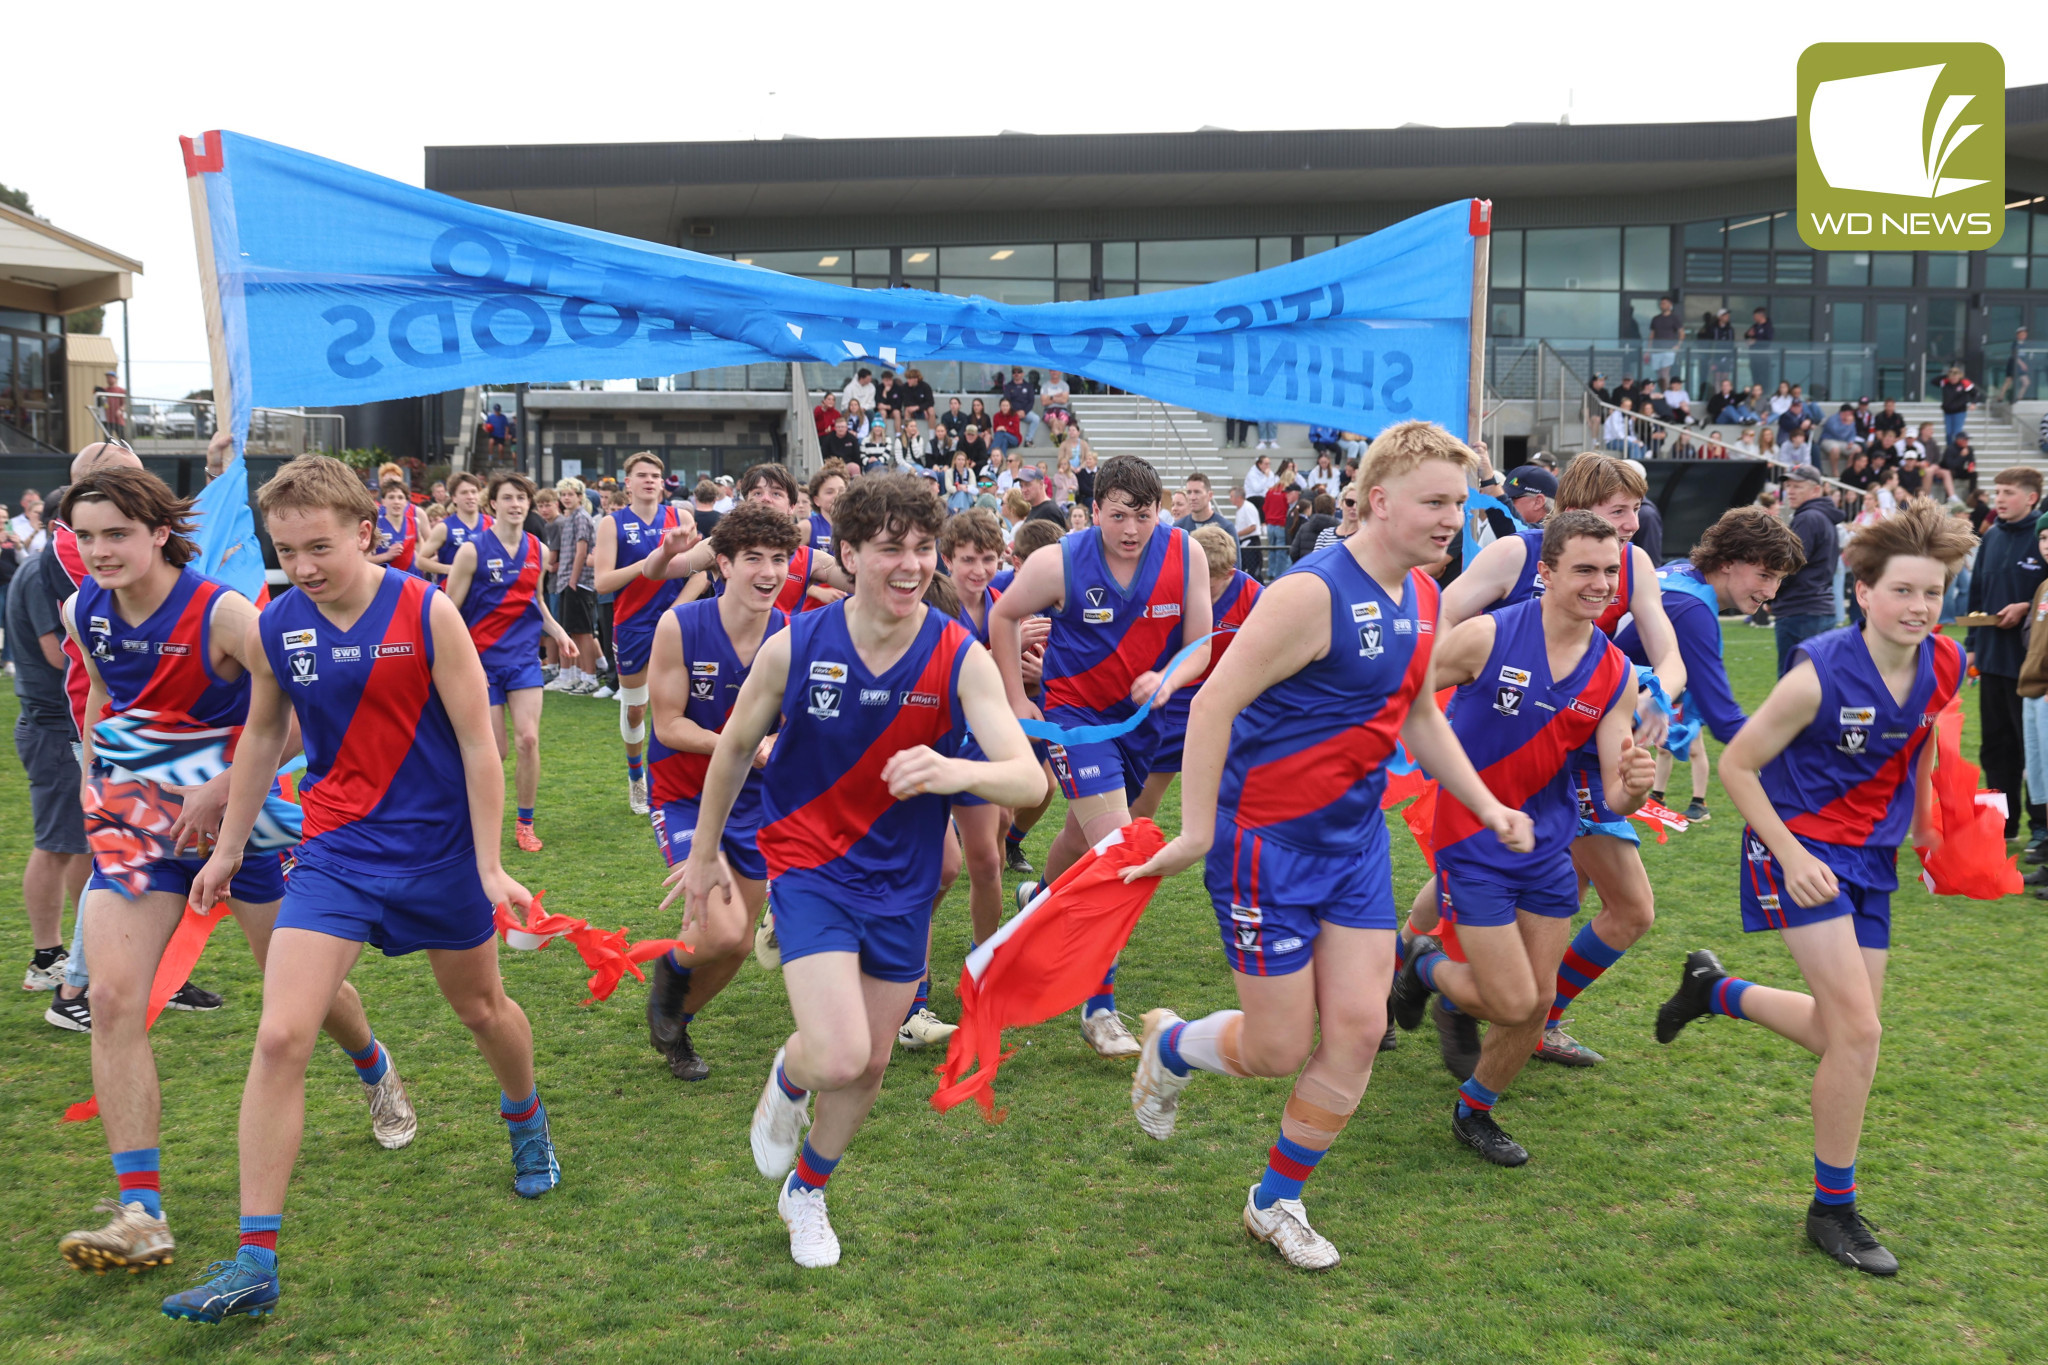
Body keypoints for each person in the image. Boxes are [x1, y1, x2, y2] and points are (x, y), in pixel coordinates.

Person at [1119, 421, 1537, 1269]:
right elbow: (1212, 704)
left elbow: (1418, 714)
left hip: (1353, 847)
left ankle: (1274, 1201)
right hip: (1263, 848)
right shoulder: (1311, 594)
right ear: (1378, 501)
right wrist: (1196, 831)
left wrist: (1486, 801)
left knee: (1354, 1027)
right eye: (1434, 501)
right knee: (1276, 1049)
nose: (1451, 517)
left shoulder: (1425, 595)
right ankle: (1171, 1047)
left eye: (1458, 501)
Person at [166, 456, 555, 1323]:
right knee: (279, 1034)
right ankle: (255, 1259)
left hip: (439, 852)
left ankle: (524, 1115)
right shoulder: (279, 623)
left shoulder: (427, 610)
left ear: (366, 533)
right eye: (286, 549)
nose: (302, 565)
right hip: (336, 848)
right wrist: (230, 847)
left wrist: (490, 864)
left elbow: (479, 743)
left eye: (319, 546)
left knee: (483, 1009)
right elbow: (264, 734)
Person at [50, 464, 412, 1282]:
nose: (100, 551)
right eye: (86, 536)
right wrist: (92, 770)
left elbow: (294, 713)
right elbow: (102, 692)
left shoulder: (225, 613)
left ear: (156, 533)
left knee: (304, 1000)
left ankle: (373, 1065)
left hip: (244, 825)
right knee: (110, 996)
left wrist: (221, 792)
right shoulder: (82, 609)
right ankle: (140, 1209)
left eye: (117, 534)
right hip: (137, 824)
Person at [671, 474, 1041, 1270]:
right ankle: (789, 1070)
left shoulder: (957, 653)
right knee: (836, 1053)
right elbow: (734, 745)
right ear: (847, 555)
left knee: (872, 1061)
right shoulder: (797, 644)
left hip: (903, 885)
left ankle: (807, 1189)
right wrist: (703, 853)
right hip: (810, 869)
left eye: (921, 548)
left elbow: (1028, 779)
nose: (910, 565)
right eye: (889, 549)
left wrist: (951, 769)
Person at [1657, 499, 1976, 1278]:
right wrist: (1791, 852)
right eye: (1903, 590)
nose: (1919, 606)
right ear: (1863, 592)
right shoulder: (1821, 669)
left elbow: (1925, 734)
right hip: (1796, 849)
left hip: (1870, 857)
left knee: (1843, 1034)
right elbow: (1737, 767)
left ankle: (1716, 988)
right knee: (1861, 1034)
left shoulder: (1945, 660)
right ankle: (1832, 1206)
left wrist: (1927, 818)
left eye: (1932, 592)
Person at [1392, 510, 1653, 1167]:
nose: (1601, 583)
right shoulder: (1486, 636)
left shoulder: (1615, 672)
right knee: (1510, 998)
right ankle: (1422, 964)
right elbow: (1404, 694)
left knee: (1536, 1002)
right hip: (1471, 836)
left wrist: (1637, 785)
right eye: (1585, 569)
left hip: (1549, 843)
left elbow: (1616, 796)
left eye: (1610, 571)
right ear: (1546, 573)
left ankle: (1474, 1109)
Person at [1437, 454, 1687, 1067]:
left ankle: (1479, 1002)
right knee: (1480, 885)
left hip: (1583, 752)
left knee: (1585, 904)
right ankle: (1445, 988)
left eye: (1633, 512)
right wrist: (1448, 700)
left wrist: (1655, 697)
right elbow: (1439, 618)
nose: (1630, 526)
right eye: (1617, 512)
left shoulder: (1633, 566)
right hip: (1500, 751)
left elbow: (1669, 655)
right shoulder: (1516, 555)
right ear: (1574, 512)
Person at [991, 455, 1214, 1057]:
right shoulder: (1057, 560)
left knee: (1081, 836)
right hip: (1077, 723)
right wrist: (1019, 698)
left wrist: (1169, 675)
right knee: (1120, 851)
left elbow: (1200, 642)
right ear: (1095, 512)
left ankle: (1040, 899)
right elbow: (1003, 613)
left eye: (1143, 515)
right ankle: (1099, 1004)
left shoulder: (1185, 554)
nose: (1131, 530)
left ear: (1160, 511)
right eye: (1118, 515)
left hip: (1142, 725)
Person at [643, 503, 797, 1082]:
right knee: (725, 930)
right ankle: (669, 970)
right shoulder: (680, 625)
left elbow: (797, 721)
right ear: (723, 565)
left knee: (732, 947)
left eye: (779, 559)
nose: (768, 571)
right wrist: (738, 743)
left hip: (756, 802)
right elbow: (667, 725)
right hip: (684, 796)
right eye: (753, 558)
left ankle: (675, 1023)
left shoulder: (791, 633)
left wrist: (780, 743)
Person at [1616, 505, 1808, 825]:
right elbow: (1725, 719)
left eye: (1778, 580)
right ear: (1726, 562)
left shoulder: (1681, 575)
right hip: (1580, 729)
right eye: (1764, 575)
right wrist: (1804, 758)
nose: (1771, 592)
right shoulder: (1692, 609)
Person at [445, 473, 577, 853]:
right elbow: (448, 611)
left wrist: (559, 632)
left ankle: (525, 823)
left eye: (522, 498)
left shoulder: (539, 549)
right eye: (508, 498)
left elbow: (535, 602)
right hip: (479, 663)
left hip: (522, 659)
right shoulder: (471, 551)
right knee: (494, 750)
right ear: (493, 504)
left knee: (529, 739)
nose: (516, 504)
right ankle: (465, 816)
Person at [11, 537, 90, 1024]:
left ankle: (75, 954)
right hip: (53, 725)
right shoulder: (44, 570)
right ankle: (48, 960)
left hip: (54, 723)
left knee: (78, 844)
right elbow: (57, 653)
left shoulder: (42, 566)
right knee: (57, 844)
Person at [1131, 524, 1260, 823]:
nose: (1195, 586)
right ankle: (1116, 863)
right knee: (1138, 809)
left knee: (1235, 807)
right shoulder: (1168, 583)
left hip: (1225, 711)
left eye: (1207, 582)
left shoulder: (1255, 598)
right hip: (1170, 704)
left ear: (1229, 573)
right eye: (1191, 576)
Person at [594, 452, 689, 815]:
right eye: (641, 475)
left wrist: (676, 608)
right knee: (636, 709)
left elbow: (698, 571)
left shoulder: (679, 517)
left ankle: (676, 781)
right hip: (631, 624)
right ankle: (636, 777)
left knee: (683, 705)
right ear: (627, 483)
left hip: (675, 622)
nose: (650, 480)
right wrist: (653, 561)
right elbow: (603, 581)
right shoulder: (612, 524)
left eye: (655, 475)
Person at [1966, 467, 2048, 848]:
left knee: (2033, 749)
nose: (1999, 498)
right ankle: (2004, 824)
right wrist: (1971, 644)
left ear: (2031, 497)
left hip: (2033, 667)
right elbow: (1977, 595)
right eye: (1997, 491)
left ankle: (2040, 829)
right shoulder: (1992, 536)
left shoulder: (2042, 538)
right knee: (1995, 746)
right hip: (1993, 660)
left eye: (2008, 492)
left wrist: (2025, 607)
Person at [1775, 467, 1844, 676]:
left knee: (1793, 685)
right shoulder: (1821, 517)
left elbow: (1790, 565)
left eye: (1797, 486)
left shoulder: (1808, 518)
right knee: (1819, 682)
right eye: (1788, 486)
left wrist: (1770, 594)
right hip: (1818, 608)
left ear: (1815, 490)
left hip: (1801, 610)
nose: (1791, 491)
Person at [416, 473, 493, 583]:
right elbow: (420, 561)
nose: (470, 496)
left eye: (473, 492)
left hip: (484, 591)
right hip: (452, 591)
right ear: (454, 498)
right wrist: (450, 569)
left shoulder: (492, 523)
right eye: (464, 493)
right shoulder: (444, 527)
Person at [370, 480, 421, 575]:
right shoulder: (375, 525)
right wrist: (387, 555)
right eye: (391, 497)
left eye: (400, 497)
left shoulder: (415, 522)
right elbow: (364, 560)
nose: (396, 502)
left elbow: (421, 553)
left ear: (406, 502)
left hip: (412, 580)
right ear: (383, 501)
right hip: (385, 580)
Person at [1176, 472, 1234, 546]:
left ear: (1210, 495)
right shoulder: (1178, 528)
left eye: (1197, 492)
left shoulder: (1226, 528)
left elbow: (1234, 557)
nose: (1192, 497)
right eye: (1189, 492)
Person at [806, 465, 846, 556]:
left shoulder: (856, 526)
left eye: (841, 491)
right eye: (829, 492)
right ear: (817, 500)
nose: (837, 496)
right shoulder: (807, 527)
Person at [1939, 364, 1978, 446]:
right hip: (1948, 411)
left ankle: (1956, 448)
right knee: (1949, 433)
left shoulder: (1964, 383)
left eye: (1955, 377)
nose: (1953, 379)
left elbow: (1975, 393)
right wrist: (1945, 376)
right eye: (1951, 377)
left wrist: (1973, 403)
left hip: (1959, 411)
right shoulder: (1946, 383)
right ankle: (1949, 448)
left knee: (1956, 432)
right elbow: (1934, 381)